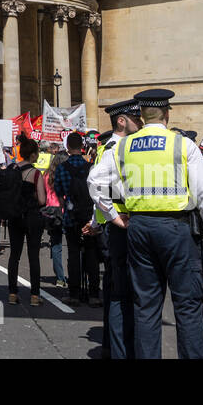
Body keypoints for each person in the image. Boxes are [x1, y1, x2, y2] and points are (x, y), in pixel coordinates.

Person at [90, 88, 203, 359]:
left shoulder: (122, 146)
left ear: (141, 114)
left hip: (138, 228)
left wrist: (114, 216)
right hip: (178, 229)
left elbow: (95, 182)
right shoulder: (181, 144)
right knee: (187, 306)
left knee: (146, 306)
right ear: (166, 113)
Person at [88, 100, 139, 358]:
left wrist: (97, 220)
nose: (140, 123)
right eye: (136, 118)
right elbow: (97, 186)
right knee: (121, 289)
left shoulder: (109, 148)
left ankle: (113, 344)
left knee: (115, 286)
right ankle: (120, 348)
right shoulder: (115, 148)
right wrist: (112, 218)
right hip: (120, 224)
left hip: (111, 222)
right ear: (122, 121)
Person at [0, 137, 48, 306]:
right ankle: (35, 295)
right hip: (32, 217)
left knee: (14, 255)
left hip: (14, 216)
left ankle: (12, 293)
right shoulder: (35, 173)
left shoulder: (12, 169)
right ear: (33, 155)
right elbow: (42, 200)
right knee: (33, 256)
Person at [54, 132, 100, 305]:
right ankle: (94, 294)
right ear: (82, 146)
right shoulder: (91, 167)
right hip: (89, 217)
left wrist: (64, 208)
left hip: (71, 216)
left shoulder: (62, 168)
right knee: (91, 254)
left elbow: (59, 195)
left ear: (67, 148)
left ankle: (74, 294)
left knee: (73, 254)